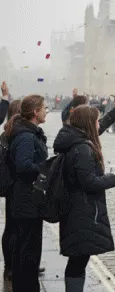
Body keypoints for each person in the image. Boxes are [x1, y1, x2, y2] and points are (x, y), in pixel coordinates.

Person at [55, 105, 115, 291]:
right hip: (81, 210)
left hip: (76, 208)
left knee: (79, 259)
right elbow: (89, 182)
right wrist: (114, 178)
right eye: (96, 120)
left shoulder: (75, 140)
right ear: (88, 123)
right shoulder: (82, 149)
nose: (98, 123)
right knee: (78, 260)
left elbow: (97, 130)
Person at [7, 95, 48, 291]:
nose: (47, 111)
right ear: (35, 112)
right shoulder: (26, 136)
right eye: (45, 108)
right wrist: (46, 167)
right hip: (26, 200)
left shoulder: (28, 133)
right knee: (27, 251)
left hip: (27, 200)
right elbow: (24, 166)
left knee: (27, 250)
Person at [1, 97, 21, 281]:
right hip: (16, 186)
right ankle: (11, 266)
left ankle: (12, 265)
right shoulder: (15, 133)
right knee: (14, 228)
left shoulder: (8, 131)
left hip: (10, 185)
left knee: (11, 226)